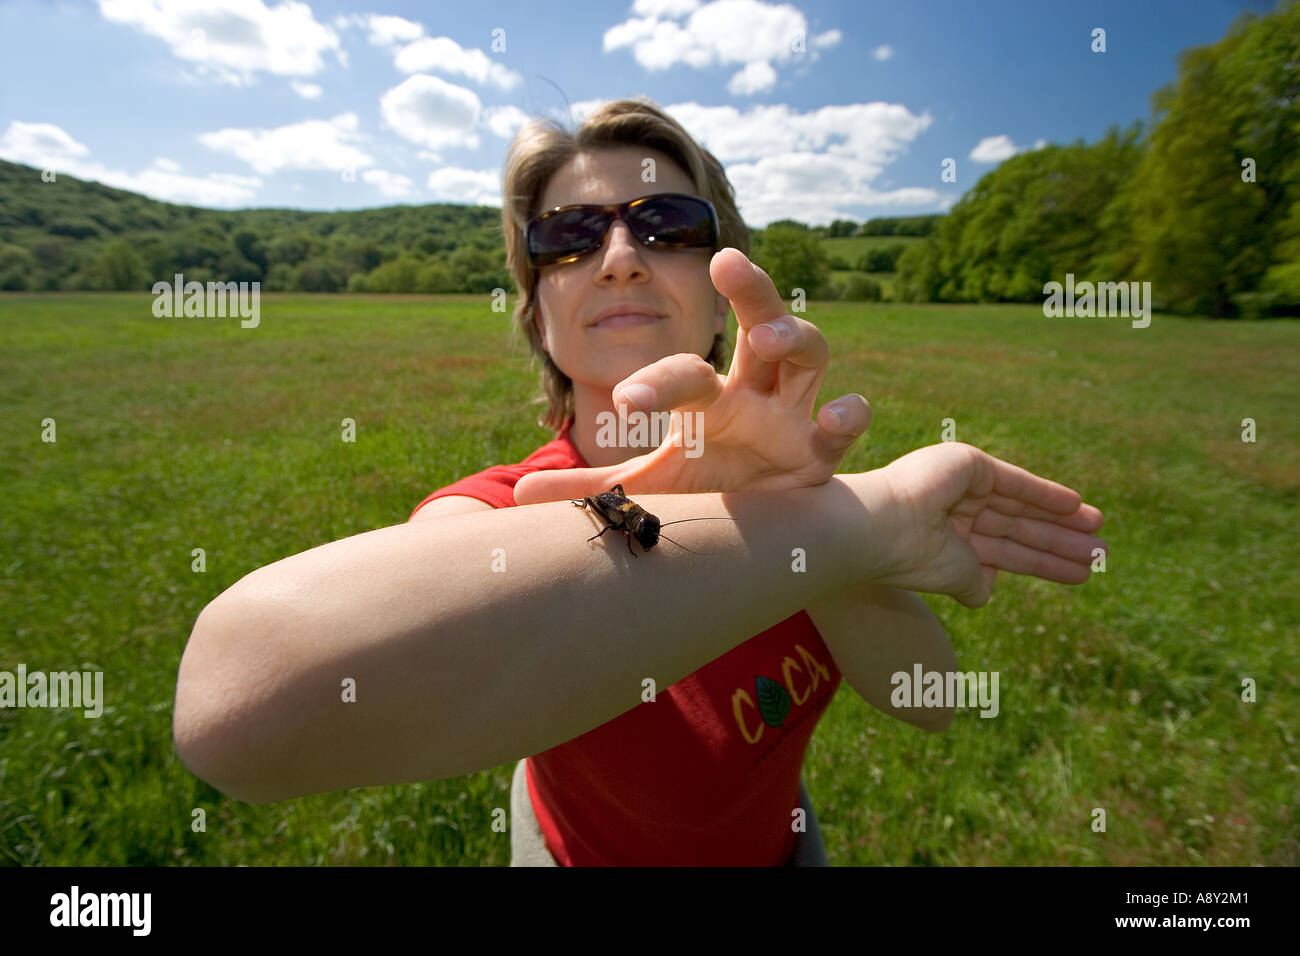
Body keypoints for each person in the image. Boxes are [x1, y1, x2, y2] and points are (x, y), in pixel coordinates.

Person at [173, 98, 1107, 867]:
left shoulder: (805, 491)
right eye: (568, 237)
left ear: (718, 290)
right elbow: (238, 706)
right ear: (537, 312)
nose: (618, 254)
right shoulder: (505, 504)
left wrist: (814, 516)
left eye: (666, 224)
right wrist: (859, 522)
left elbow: (929, 700)